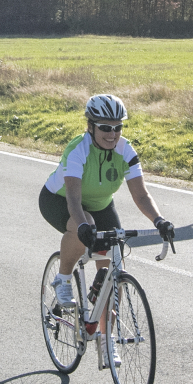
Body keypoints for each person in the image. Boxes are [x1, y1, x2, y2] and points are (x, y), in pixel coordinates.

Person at [40, 94, 174, 315]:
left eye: (117, 128)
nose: (112, 135)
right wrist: (83, 226)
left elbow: (141, 195)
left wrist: (159, 220)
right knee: (86, 224)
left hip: (101, 205)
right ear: (90, 127)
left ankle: (107, 341)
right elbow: (74, 199)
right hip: (59, 200)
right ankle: (63, 279)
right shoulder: (78, 150)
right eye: (105, 128)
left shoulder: (126, 150)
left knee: (113, 269)